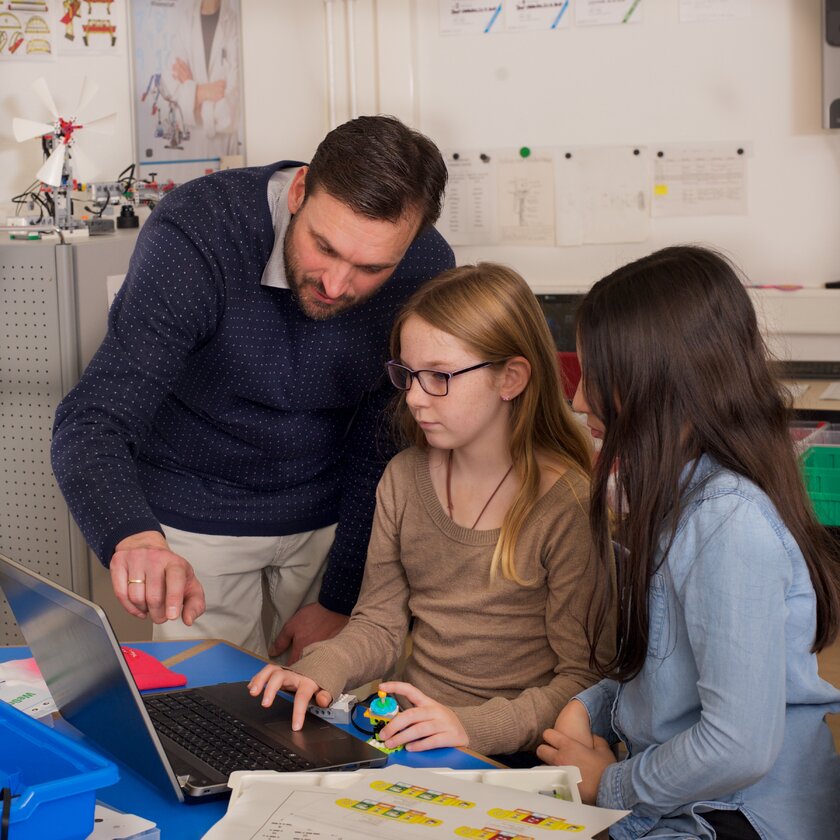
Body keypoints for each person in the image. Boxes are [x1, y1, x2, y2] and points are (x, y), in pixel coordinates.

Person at [51, 115, 454, 659]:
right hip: (195, 514)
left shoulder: (427, 264)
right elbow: (95, 416)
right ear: (299, 190)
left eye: (371, 268)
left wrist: (341, 597)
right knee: (207, 715)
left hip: (334, 516)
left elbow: (383, 440)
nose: (337, 285)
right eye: (325, 248)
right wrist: (134, 537)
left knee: (335, 717)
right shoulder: (198, 232)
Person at [248, 263, 611, 760]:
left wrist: (466, 727)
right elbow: (379, 624)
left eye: (439, 376)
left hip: (505, 754)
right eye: (408, 375)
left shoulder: (564, 502)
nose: (415, 398)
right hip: (410, 739)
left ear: (511, 378)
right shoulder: (402, 477)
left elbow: (584, 680)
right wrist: (316, 669)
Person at [537, 246, 840, 839]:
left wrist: (611, 784)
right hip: (688, 798)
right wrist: (590, 704)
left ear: (657, 382)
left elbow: (736, 745)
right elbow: (668, 672)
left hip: (736, 817)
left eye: (596, 379)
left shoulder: (728, 521)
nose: (578, 402)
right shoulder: (680, 501)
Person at [162, 0, 242, 160]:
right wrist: (204, 92)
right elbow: (172, 94)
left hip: (227, 148)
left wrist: (192, 97)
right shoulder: (185, 22)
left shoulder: (235, 23)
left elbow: (232, 112)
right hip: (190, 148)